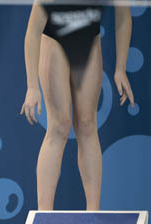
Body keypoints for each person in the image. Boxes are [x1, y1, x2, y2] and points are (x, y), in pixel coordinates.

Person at [20, 3, 134, 210]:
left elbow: (123, 15)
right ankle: (44, 214)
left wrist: (120, 68)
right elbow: (33, 30)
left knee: (87, 125)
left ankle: (93, 213)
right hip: (55, 40)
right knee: (59, 126)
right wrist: (32, 86)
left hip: (89, 41)